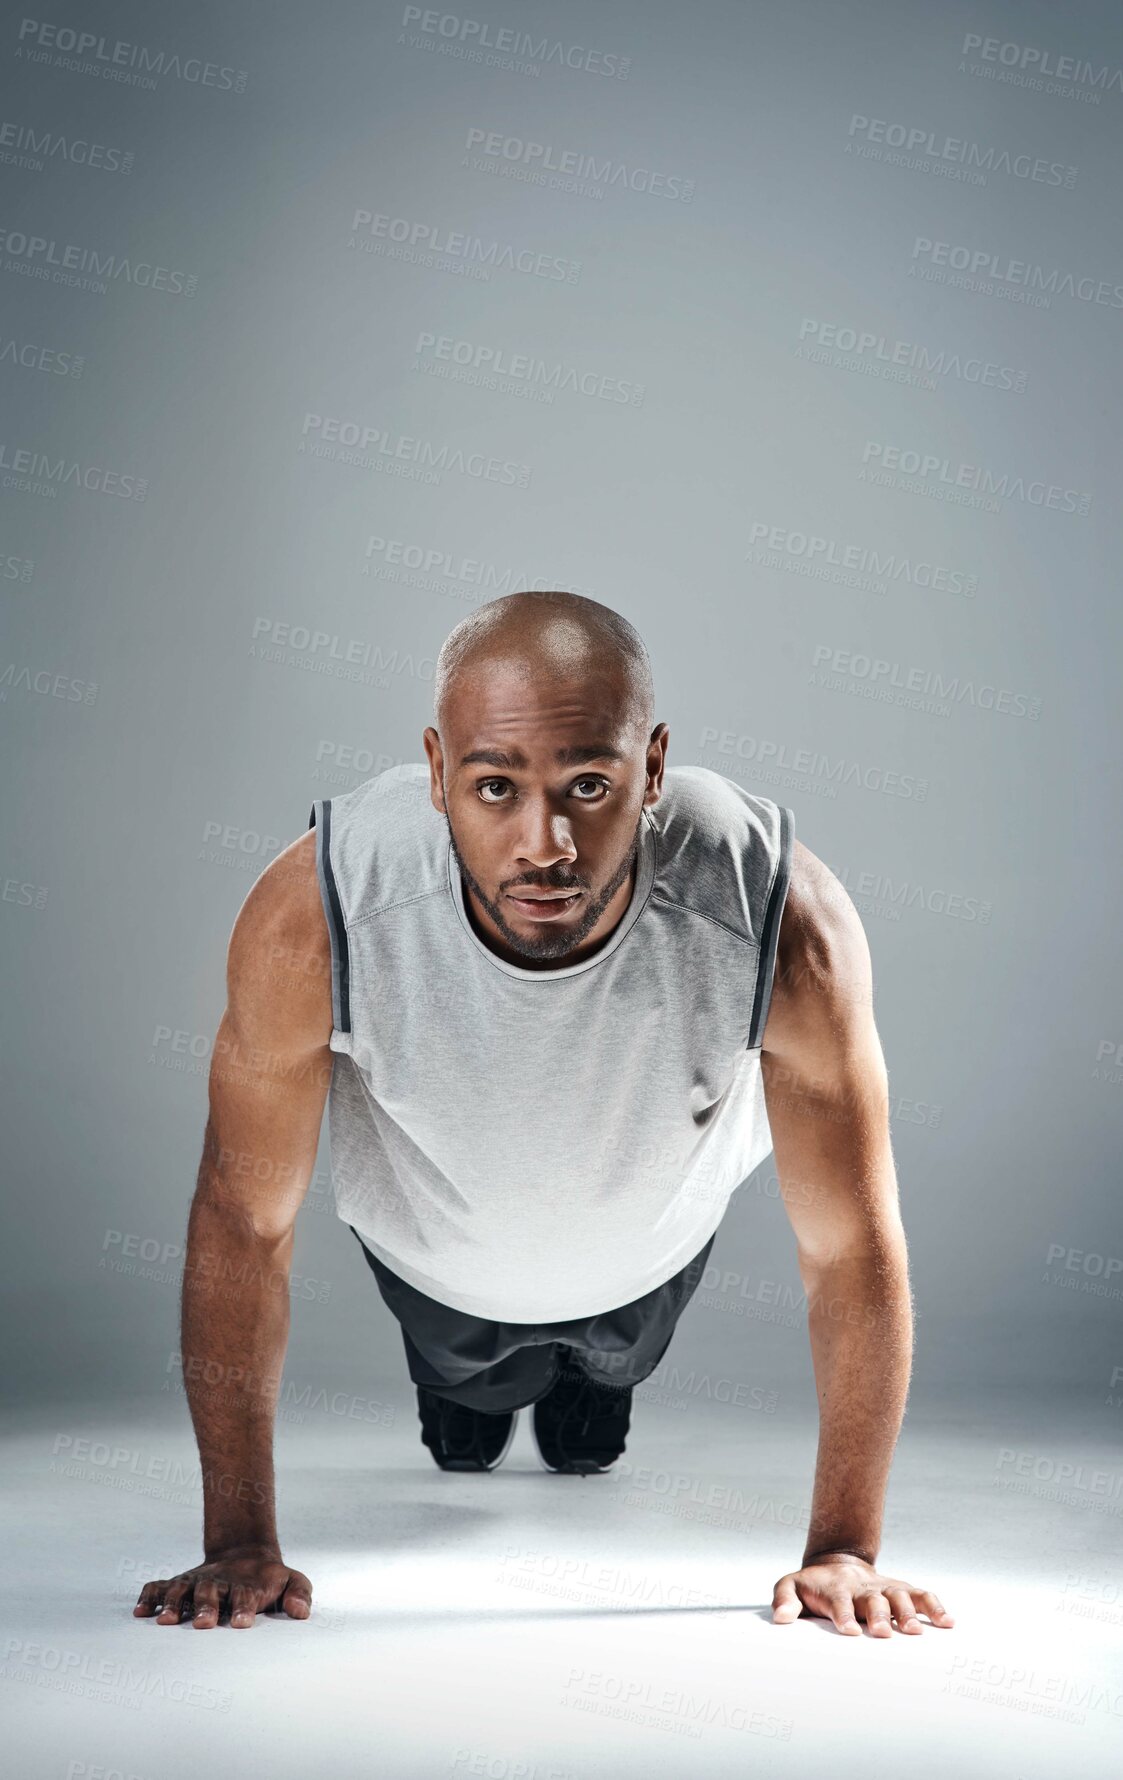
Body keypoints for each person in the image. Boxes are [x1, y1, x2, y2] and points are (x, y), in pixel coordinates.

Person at [134, 590, 954, 1640]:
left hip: (644, 1255)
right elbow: (243, 1222)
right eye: (492, 786)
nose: (545, 843)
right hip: (441, 1269)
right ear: (434, 772)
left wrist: (844, 1548)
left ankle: (589, 1396)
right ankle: (473, 1400)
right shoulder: (320, 908)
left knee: (596, 1403)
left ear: (653, 768)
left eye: (590, 784)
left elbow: (850, 1248)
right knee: (469, 1411)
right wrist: (238, 1538)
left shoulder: (777, 909)